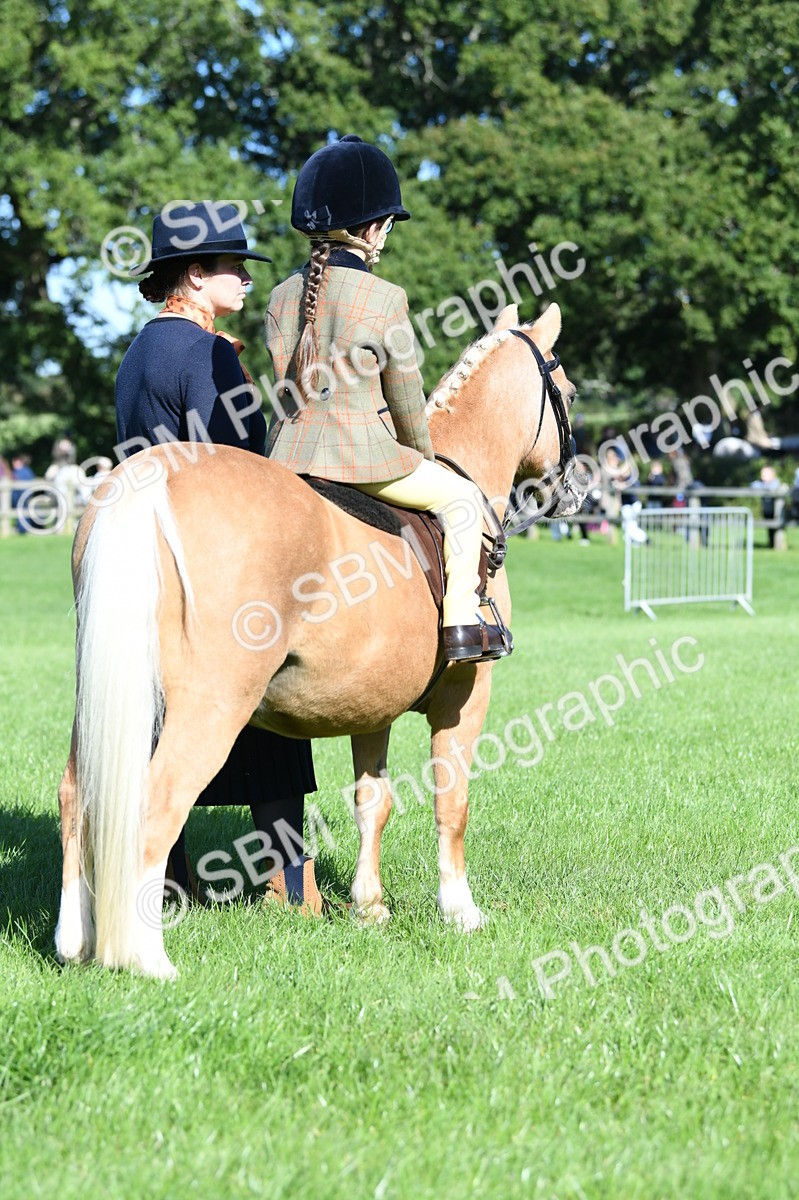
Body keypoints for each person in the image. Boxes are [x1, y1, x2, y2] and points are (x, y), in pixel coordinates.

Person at [117, 201, 322, 912]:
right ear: (196, 276)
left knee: (155, 713)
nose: (241, 276)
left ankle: (169, 883)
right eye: (232, 266)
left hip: (146, 543)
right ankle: (289, 883)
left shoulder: (139, 352)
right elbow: (241, 462)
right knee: (266, 709)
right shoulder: (207, 352)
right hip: (216, 548)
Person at [264, 134, 506, 662]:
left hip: (285, 456)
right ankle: (462, 625)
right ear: (369, 228)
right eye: (388, 225)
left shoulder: (281, 294)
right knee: (463, 501)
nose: (387, 235)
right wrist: (422, 451)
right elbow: (405, 398)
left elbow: (289, 382)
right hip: (361, 458)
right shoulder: (386, 297)